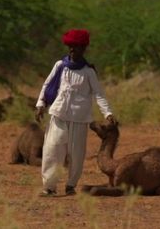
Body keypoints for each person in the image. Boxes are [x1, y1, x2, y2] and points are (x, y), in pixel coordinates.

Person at [35, 29, 117, 196]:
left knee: (77, 154)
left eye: (77, 47)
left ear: (83, 49)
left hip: (79, 118)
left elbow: (98, 94)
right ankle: (49, 187)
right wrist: (41, 104)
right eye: (71, 46)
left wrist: (107, 113)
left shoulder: (88, 72)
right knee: (52, 149)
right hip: (59, 114)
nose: (72, 50)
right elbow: (47, 85)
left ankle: (71, 185)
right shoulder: (60, 66)